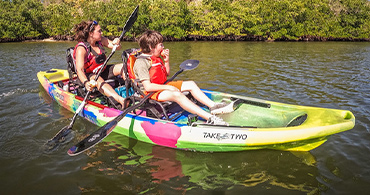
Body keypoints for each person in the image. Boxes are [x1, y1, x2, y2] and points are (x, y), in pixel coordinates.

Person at [130, 30, 234, 125]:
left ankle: (213, 106)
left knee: (191, 84)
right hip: (149, 94)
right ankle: (210, 118)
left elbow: (166, 74)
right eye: (160, 45)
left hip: (161, 86)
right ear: (151, 47)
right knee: (176, 94)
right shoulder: (141, 62)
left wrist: (166, 60)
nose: (163, 47)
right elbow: (147, 87)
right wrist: (168, 88)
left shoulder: (156, 58)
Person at [73, 20, 126, 108]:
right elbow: (80, 70)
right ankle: (120, 100)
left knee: (123, 67)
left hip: (102, 71)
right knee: (96, 79)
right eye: (99, 31)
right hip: (89, 77)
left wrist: (117, 42)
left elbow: (117, 47)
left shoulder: (101, 40)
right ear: (91, 33)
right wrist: (86, 83)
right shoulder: (82, 48)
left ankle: (133, 90)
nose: (102, 33)